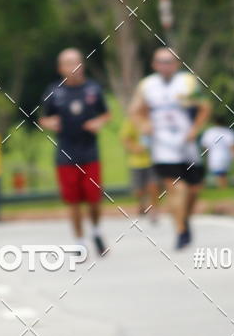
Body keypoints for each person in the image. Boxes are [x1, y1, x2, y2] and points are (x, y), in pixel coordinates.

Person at [130, 48, 210, 249]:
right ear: (154, 64)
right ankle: (181, 230)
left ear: (177, 64)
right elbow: (135, 111)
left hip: (187, 142)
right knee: (177, 188)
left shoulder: (188, 82)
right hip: (162, 144)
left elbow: (204, 107)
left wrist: (196, 128)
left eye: (169, 61)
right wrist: (143, 126)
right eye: (161, 62)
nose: (165, 66)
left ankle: (184, 219)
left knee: (193, 190)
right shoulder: (147, 85)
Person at [40, 49, 110, 256]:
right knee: (73, 201)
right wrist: (51, 123)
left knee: (94, 198)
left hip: (90, 152)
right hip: (66, 153)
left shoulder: (93, 89)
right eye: (69, 63)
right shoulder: (54, 91)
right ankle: (79, 241)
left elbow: (106, 114)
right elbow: (43, 118)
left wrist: (98, 122)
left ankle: (96, 230)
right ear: (61, 68)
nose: (74, 67)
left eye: (77, 62)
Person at [120, 115, 159, 220]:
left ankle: (153, 209)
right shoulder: (131, 120)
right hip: (136, 161)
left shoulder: (155, 118)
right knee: (138, 190)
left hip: (153, 160)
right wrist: (134, 148)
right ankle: (142, 203)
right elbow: (125, 138)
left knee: (153, 185)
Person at [200, 117, 234, 188]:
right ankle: (223, 188)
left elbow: (205, 146)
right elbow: (233, 145)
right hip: (226, 156)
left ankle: (222, 188)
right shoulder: (228, 132)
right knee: (222, 174)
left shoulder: (210, 132)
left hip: (213, 156)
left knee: (219, 174)